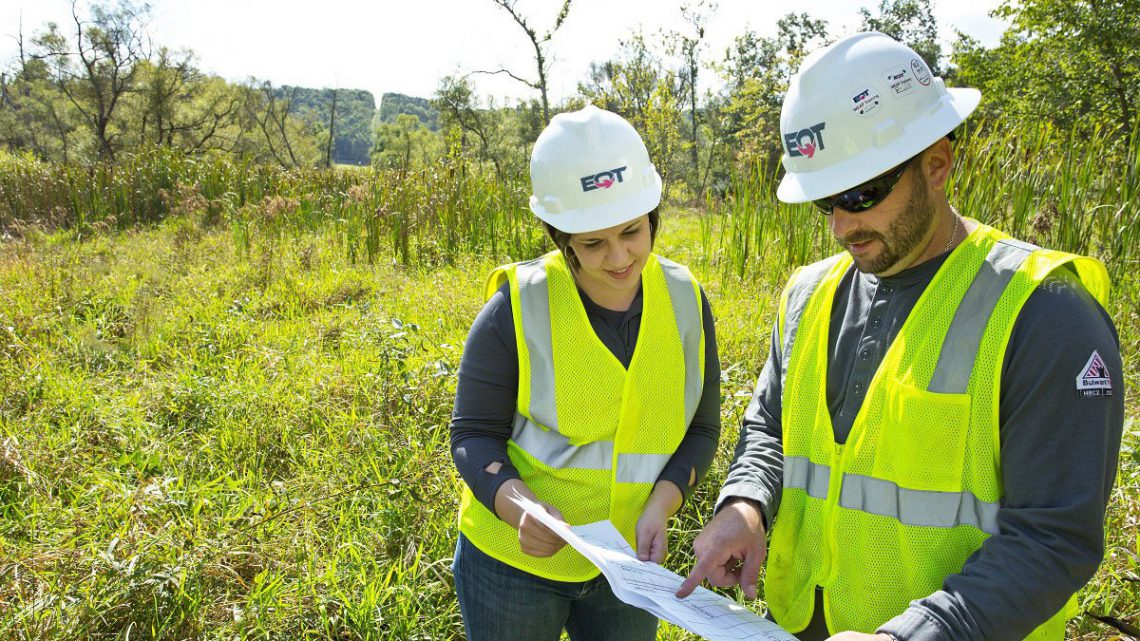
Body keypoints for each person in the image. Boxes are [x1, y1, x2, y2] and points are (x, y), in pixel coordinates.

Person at [676, 31, 1124, 641]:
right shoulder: (807, 294)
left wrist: (912, 635)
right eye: (824, 202)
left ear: (936, 165)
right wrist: (746, 503)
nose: (840, 226)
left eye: (861, 194)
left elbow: (1054, 538)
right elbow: (771, 430)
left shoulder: (1046, 313)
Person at [449, 105, 721, 641]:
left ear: (652, 217)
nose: (619, 258)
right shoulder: (517, 307)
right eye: (593, 243)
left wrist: (660, 507)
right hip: (512, 568)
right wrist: (518, 506)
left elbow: (703, 430)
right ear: (561, 237)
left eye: (632, 232)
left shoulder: (686, 300)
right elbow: (472, 434)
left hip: (625, 566)